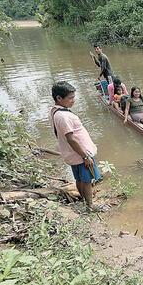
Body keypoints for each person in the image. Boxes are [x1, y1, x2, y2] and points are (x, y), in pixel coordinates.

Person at [49, 81, 102, 211]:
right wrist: (85, 156)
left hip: (73, 154)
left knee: (79, 179)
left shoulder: (55, 111)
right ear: (59, 98)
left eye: (74, 97)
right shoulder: (63, 116)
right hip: (79, 154)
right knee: (87, 180)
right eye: (70, 98)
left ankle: (85, 200)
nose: (73, 100)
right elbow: (71, 139)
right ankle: (90, 205)